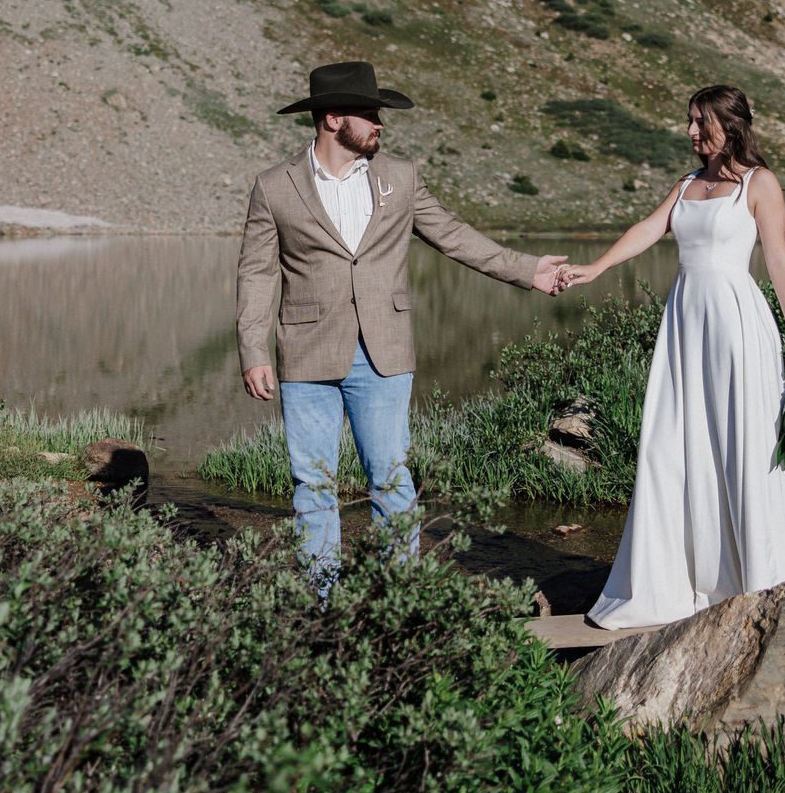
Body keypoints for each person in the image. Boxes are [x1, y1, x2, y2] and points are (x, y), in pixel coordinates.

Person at [236, 61, 570, 579]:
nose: (379, 124)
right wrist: (253, 351)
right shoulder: (274, 186)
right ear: (331, 119)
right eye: (369, 114)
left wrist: (528, 271)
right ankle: (322, 600)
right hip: (305, 356)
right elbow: (257, 274)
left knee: (390, 480)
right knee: (312, 483)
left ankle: (397, 596)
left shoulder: (401, 178)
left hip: (383, 355)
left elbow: (454, 236)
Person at [557, 84, 785, 629]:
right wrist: (596, 268)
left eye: (701, 122)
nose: (691, 132)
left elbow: (778, 260)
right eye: (690, 121)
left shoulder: (760, 183)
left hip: (736, 326)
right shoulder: (687, 186)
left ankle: (757, 577)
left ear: (731, 124)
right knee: (677, 440)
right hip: (685, 326)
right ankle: (685, 577)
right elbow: (648, 230)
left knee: (742, 442)